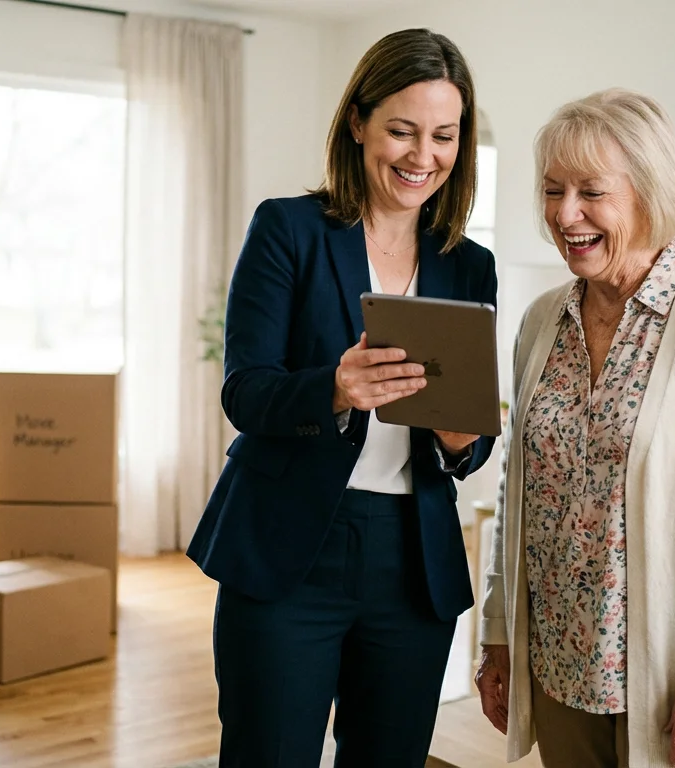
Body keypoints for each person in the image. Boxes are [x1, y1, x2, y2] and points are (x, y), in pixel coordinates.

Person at [185, 28, 498, 768]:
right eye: (401, 130)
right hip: (290, 549)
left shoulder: (469, 266)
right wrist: (333, 386)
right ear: (357, 123)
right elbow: (246, 391)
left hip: (411, 561)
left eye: (444, 136)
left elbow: (470, 441)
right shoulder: (287, 230)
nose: (423, 156)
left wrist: (462, 442)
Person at [474, 88, 675, 768]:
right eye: (552, 190)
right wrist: (498, 629)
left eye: (591, 192)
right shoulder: (541, 321)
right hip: (563, 670)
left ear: (650, 193)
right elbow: (519, 488)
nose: (565, 215)